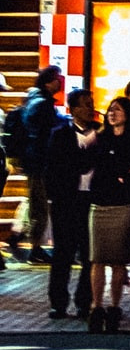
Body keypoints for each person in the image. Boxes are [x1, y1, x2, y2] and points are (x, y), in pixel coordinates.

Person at [82, 97, 130, 333]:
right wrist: (120, 172)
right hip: (99, 202)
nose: (112, 113)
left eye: (118, 110)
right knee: (97, 258)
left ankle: (114, 306)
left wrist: (125, 176)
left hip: (123, 204)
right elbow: (87, 164)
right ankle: (96, 306)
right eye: (110, 110)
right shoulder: (100, 138)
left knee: (118, 260)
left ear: (127, 114)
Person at [45, 88, 96, 320]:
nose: (89, 108)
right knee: (62, 254)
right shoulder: (60, 135)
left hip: (91, 200)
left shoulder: (99, 135)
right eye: (85, 104)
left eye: (91, 103)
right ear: (73, 109)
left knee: (89, 254)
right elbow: (55, 168)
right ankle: (58, 303)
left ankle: (84, 302)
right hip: (66, 200)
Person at [7, 66, 63, 264]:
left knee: (35, 201)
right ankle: (35, 249)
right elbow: (42, 132)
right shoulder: (42, 103)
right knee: (39, 206)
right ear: (48, 82)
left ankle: (20, 234)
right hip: (38, 161)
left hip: (34, 161)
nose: (60, 81)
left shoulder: (35, 100)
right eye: (57, 78)